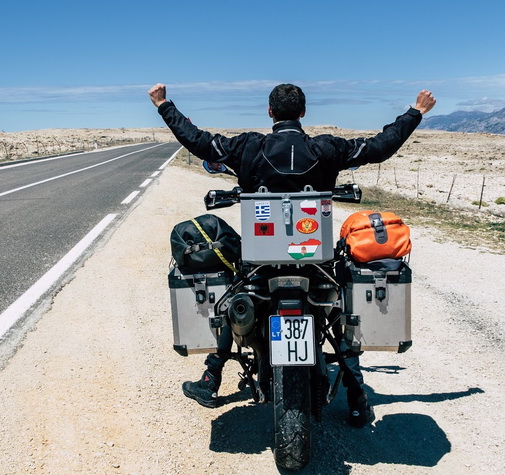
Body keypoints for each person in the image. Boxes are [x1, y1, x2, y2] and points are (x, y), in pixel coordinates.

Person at [148, 82, 436, 427]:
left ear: (270, 112)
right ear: (303, 112)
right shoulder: (327, 148)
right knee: (340, 312)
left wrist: (164, 105)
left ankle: (211, 378)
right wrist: (415, 112)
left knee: (233, 297)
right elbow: (379, 147)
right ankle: (357, 395)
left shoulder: (248, 146)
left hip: (261, 262)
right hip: (314, 259)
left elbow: (198, 141)